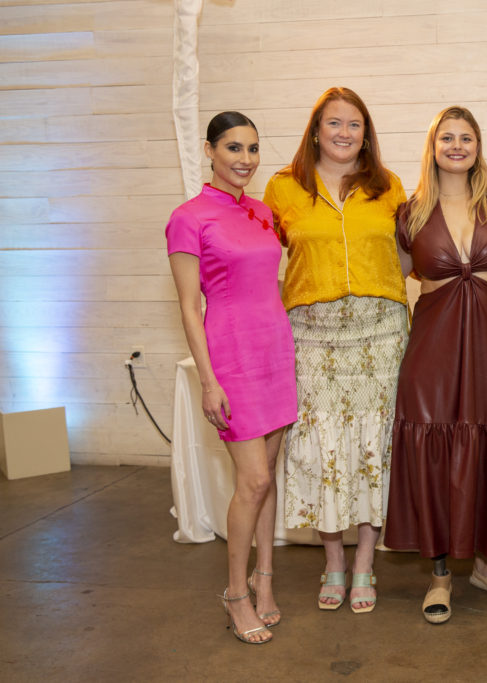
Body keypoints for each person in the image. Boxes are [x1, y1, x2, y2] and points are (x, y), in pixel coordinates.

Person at [384, 106, 487, 625]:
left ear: (478, 146)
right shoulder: (409, 213)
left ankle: (483, 566)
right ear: (432, 146)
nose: (456, 146)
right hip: (433, 344)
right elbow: (394, 277)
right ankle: (442, 574)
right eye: (446, 138)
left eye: (465, 137)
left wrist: (486, 292)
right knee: (437, 446)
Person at [263, 88, 408, 614]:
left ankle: (366, 563)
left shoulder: (388, 187)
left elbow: (405, 259)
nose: (344, 133)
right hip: (311, 334)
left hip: (380, 334)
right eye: (334, 123)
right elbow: (261, 258)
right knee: (324, 449)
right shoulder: (282, 188)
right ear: (315, 129)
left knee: (372, 449)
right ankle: (333, 562)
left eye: (355, 125)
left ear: (366, 134)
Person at [166, 111, 297, 644]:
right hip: (232, 358)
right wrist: (208, 379)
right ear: (209, 151)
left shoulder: (263, 212)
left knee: (268, 478)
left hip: (275, 353)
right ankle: (235, 593)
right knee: (254, 481)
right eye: (234, 148)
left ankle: (264, 582)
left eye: (252, 149)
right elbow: (187, 305)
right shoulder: (188, 217)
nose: (245, 160)